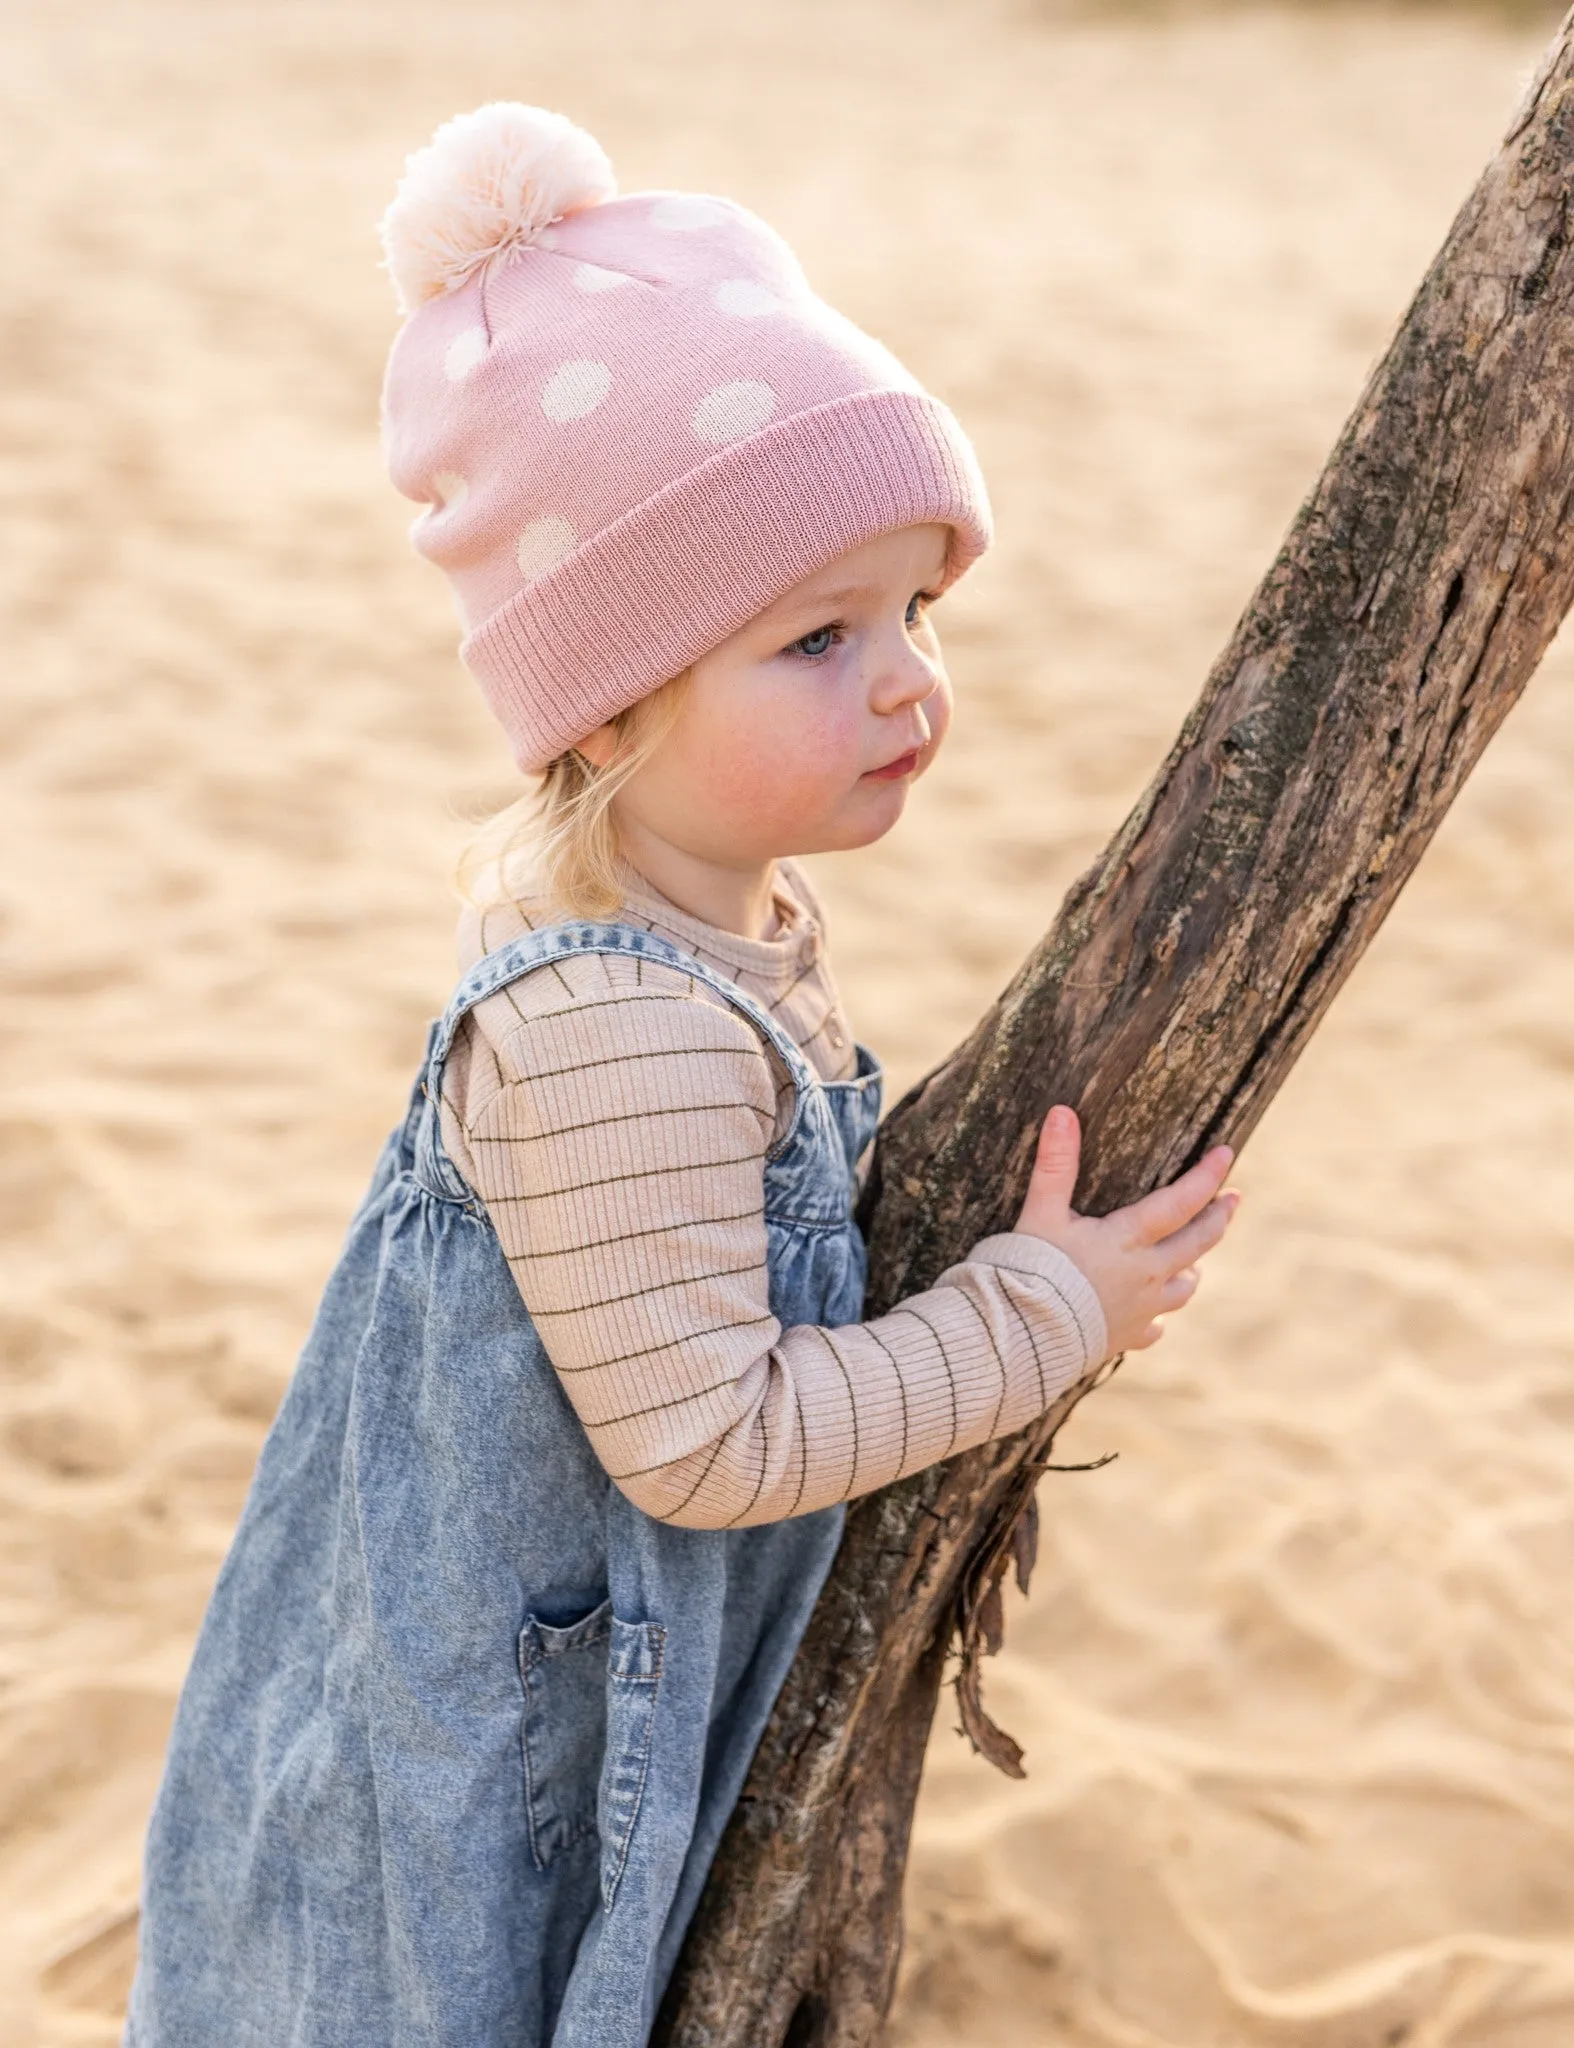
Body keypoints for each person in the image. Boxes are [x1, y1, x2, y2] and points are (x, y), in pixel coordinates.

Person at [124, 101, 1238, 2048]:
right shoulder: (613, 1027)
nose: (905, 680)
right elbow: (711, 1438)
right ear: (612, 697)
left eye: (916, 610)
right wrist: (1039, 1309)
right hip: (491, 1796)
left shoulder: (722, 945)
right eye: (815, 636)